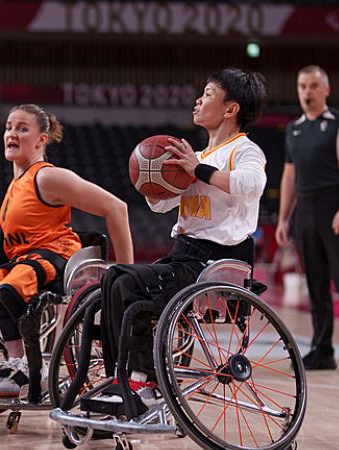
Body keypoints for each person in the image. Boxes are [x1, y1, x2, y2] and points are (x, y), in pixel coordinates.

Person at [97, 68, 268, 411]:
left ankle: (145, 382)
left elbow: (252, 186)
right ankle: (121, 378)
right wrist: (150, 178)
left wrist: (197, 171)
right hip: (185, 255)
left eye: (207, 94)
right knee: (114, 276)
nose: (198, 100)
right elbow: (162, 205)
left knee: (129, 285)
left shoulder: (245, 151)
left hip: (217, 262)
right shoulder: (199, 157)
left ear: (230, 109)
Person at [0, 104, 134, 398]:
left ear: (42, 139)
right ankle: (16, 363)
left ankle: (35, 371)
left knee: (10, 286)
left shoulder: (47, 177)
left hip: (57, 255)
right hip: (26, 259)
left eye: (22, 128)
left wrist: (125, 274)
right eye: (9, 127)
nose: (11, 133)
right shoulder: (16, 183)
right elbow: (4, 243)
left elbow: (117, 207)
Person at [276, 65, 339, 374]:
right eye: (303, 86)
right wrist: (283, 219)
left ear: (326, 89)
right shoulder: (294, 129)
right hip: (305, 210)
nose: (307, 92)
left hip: (335, 207)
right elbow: (289, 176)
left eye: (314, 86)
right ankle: (322, 350)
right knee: (315, 285)